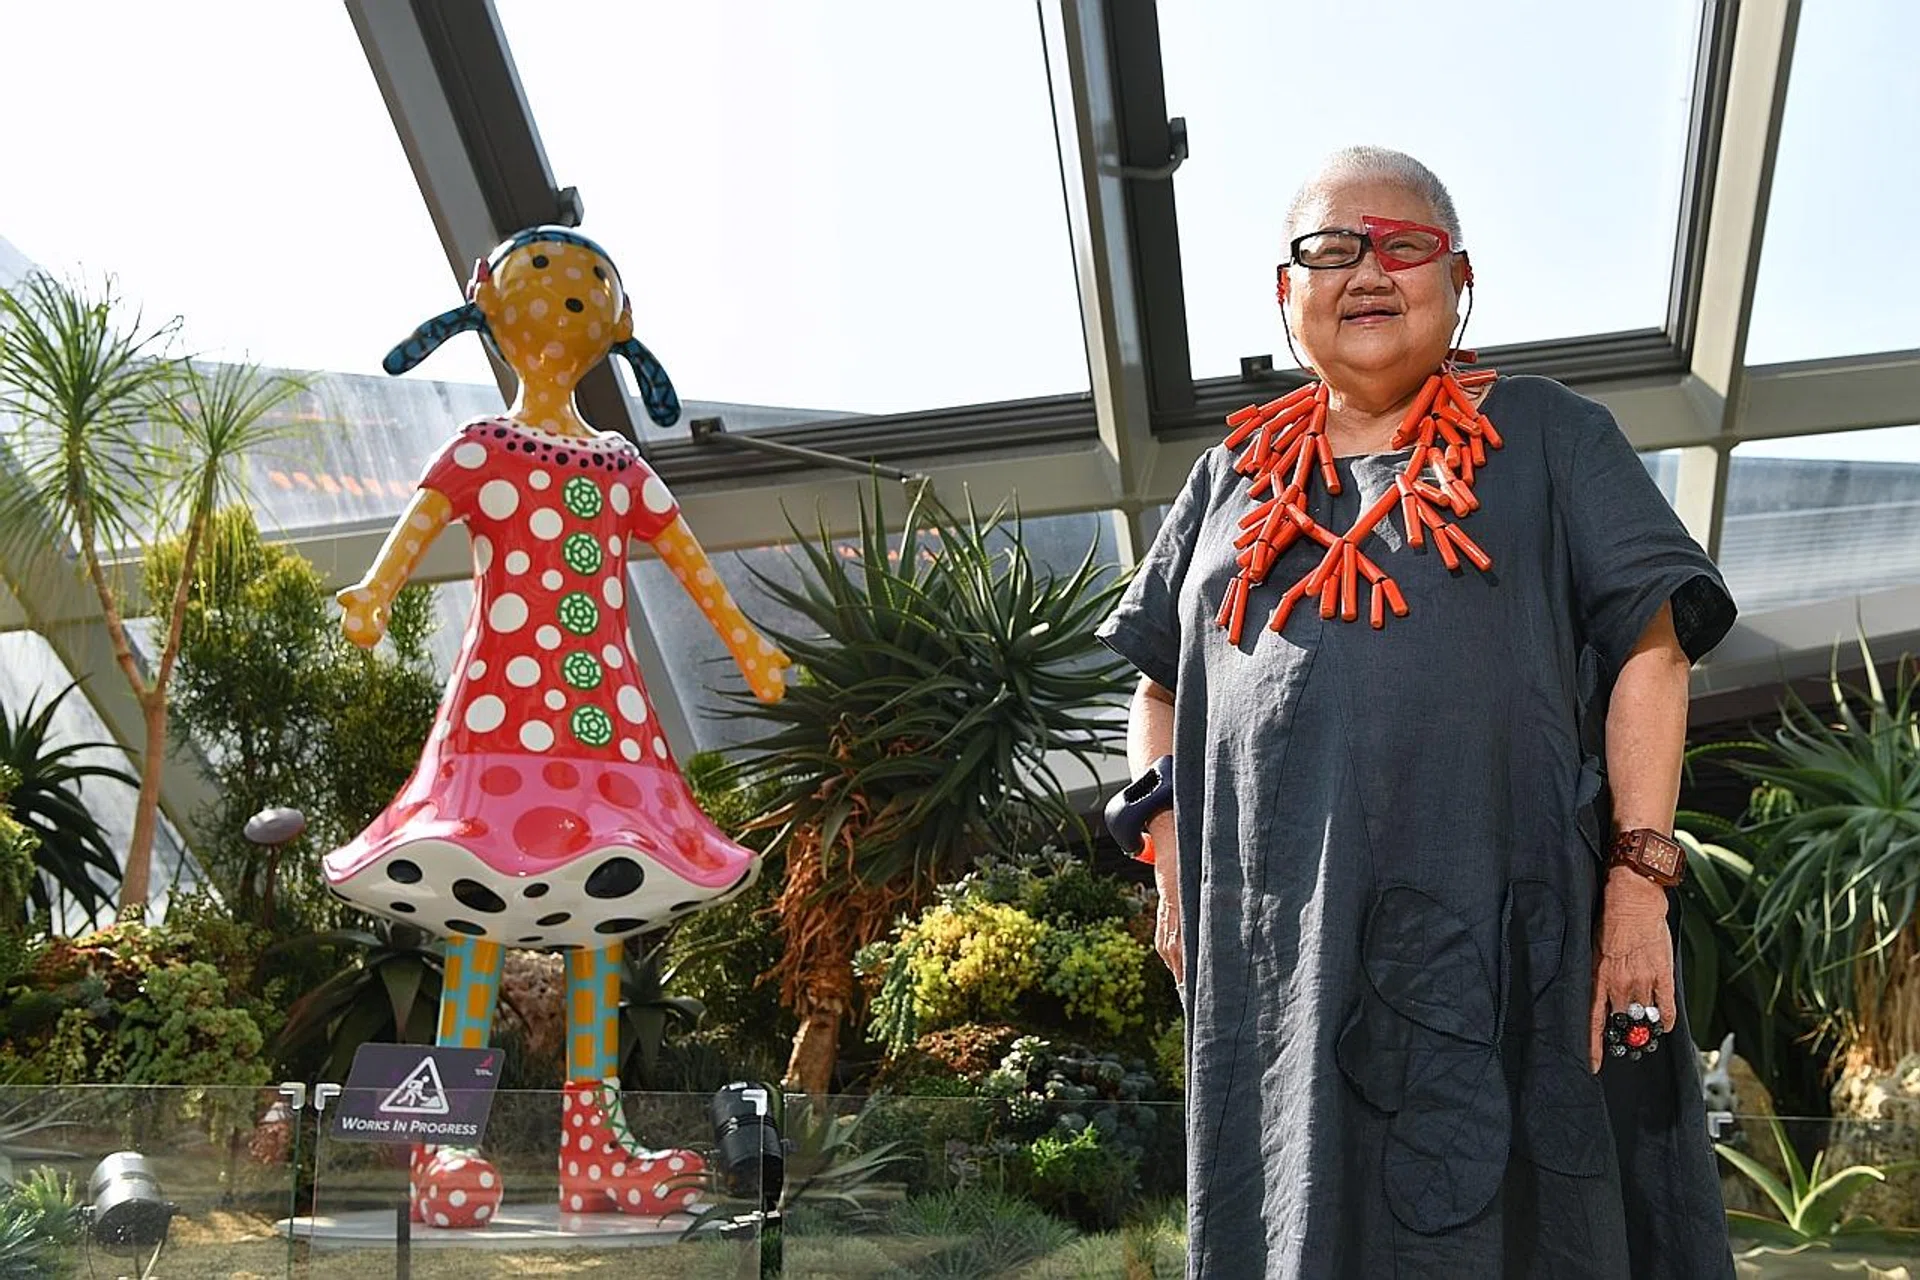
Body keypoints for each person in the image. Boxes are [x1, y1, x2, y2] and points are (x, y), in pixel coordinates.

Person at [1097, 147, 1737, 1278]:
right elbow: (1158, 681)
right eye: (1331, 248)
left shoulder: (1551, 437)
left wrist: (1640, 877)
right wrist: (1165, 850)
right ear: (1285, 293)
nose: (1369, 269)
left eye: (1405, 245)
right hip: (1282, 955)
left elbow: (1653, 642)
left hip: (1514, 941)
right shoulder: (1226, 477)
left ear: (1461, 279)